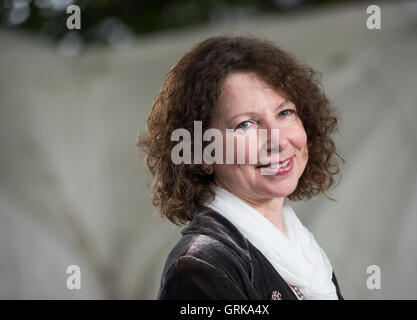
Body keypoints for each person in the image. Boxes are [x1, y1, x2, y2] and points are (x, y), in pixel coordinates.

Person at [138, 34, 344, 300]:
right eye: (245, 124)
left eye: (285, 113)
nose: (277, 140)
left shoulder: (303, 253)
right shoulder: (199, 268)